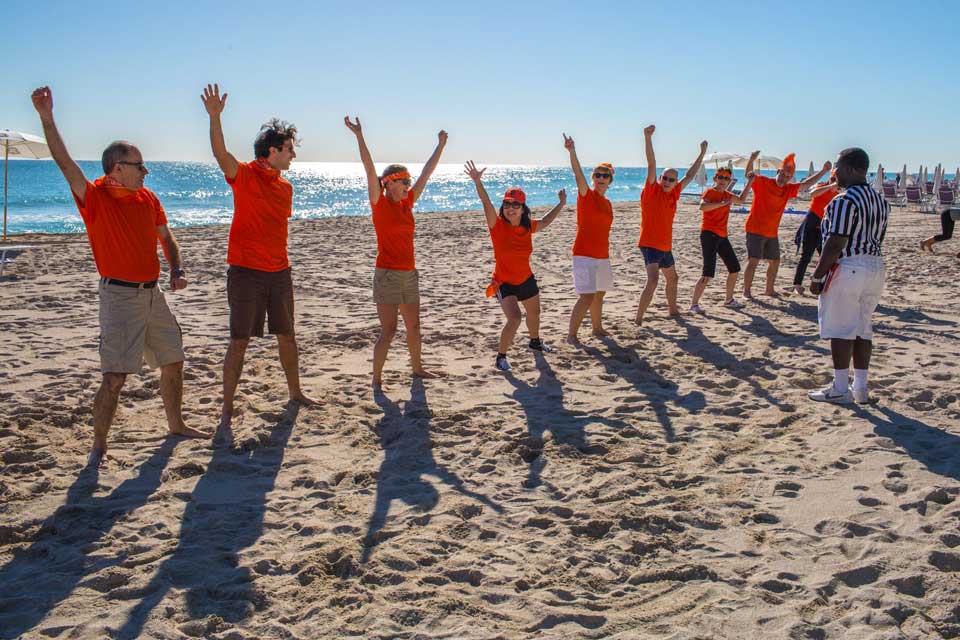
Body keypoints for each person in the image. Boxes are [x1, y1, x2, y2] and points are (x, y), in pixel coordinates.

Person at [31, 86, 209, 466]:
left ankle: (176, 424)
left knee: (173, 360)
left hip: (153, 293)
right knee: (115, 377)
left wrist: (176, 268)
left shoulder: (148, 198)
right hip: (119, 297)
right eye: (139, 165)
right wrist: (47, 118)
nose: (146, 171)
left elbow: (167, 236)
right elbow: (65, 163)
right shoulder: (95, 197)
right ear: (117, 168)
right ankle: (99, 445)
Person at [201, 83, 317, 429]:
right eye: (289, 149)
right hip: (246, 272)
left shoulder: (285, 186)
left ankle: (295, 392)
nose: (293, 155)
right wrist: (215, 117)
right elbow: (220, 152)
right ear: (272, 150)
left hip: (279, 271)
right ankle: (226, 406)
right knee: (239, 342)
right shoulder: (245, 175)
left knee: (288, 335)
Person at [344, 116, 447, 388]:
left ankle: (417, 369)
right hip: (387, 274)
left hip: (409, 274)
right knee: (389, 332)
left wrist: (441, 146)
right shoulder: (380, 204)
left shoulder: (407, 203)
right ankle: (376, 380)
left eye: (408, 181)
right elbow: (368, 168)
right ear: (389, 182)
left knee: (414, 327)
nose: (408, 185)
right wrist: (359, 136)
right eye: (404, 181)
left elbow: (427, 173)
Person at [464, 161, 566, 371]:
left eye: (515, 205)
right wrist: (477, 182)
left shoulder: (528, 226)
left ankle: (535, 342)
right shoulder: (497, 225)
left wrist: (561, 204)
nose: (510, 209)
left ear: (523, 208)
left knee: (535, 313)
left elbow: (546, 221)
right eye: (507, 205)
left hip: (526, 279)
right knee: (515, 318)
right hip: (504, 282)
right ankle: (501, 357)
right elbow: (486, 203)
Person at [808, 147, 889, 404]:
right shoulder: (880, 200)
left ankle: (841, 386)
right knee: (863, 329)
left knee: (841, 329)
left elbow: (836, 241)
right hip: (875, 266)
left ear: (852, 170)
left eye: (839, 168)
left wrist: (818, 275)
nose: (835, 173)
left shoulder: (844, 200)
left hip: (850, 265)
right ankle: (861, 388)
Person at [635, 125, 707, 325]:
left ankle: (673, 310)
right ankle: (639, 319)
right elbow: (651, 163)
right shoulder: (651, 190)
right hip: (649, 243)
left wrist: (702, 153)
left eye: (671, 180)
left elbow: (691, 175)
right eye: (665, 178)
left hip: (665, 245)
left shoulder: (674, 193)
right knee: (653, 281)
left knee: (673, 279)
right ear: (660, 179)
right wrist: (647, 138)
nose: (667, 181)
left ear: (675, 182)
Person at [741, 151, 831, 298]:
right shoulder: (763, 182)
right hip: (755, 228)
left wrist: (823, 171)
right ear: (778, 171)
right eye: (782, 175)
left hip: (771, 232)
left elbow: (806, 184)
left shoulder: (788, 189)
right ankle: (747, 292)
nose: (784, 179)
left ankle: (769, 290)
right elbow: (748, 174)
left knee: (775, 261)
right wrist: (751, 159)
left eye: (788, 177)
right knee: (753, 260)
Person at [562, 133, 614, 344]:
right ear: (593, 178)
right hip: (583, 254)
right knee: (586, 297)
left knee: (599, 294)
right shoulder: (586, 195)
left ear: (610, 180)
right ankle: (572, 336)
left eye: (605, 176)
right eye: (597, 175)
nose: (601, 179)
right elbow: (577, 174)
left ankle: (597, 328)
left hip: (602, 255)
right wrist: (572, 151)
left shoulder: (608, 203)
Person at [689, 167, 754, 313]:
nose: (723, 180)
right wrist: (722, 204)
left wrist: (750, 182)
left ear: (730, 181)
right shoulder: (710, 192)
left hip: (722, 236)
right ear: (715, 179)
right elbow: (702, 207)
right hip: (708, 234)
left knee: (734, 268)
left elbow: (742, 200)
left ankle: (729, 300)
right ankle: (694, 305)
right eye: (720, 177)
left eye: (726, 178)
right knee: (707, 273)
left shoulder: (728, 195)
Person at [792, 174, 840, 294]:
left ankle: (824, 282)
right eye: (833, 178)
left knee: (827, 257)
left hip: (825, 227)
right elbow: (812, 193)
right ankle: (797, 284)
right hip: (811, 224)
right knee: (806, 256)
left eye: (837, 180)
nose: (834, 182)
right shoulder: (822, 186)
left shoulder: (838, 195)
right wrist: (830, 185)